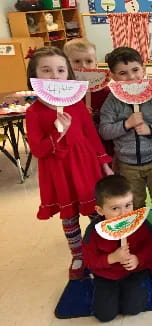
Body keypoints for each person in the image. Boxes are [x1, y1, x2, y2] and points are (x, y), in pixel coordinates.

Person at [25, 46, 112, 280]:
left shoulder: (78, 105)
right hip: (58, 170)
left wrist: (104, 163)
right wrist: (56, 133)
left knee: (97, 211)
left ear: (68, 75)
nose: (55, 76)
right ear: (34, 76)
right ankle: (78, 255)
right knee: (69, 216)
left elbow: (91, 136)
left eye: (60, 70)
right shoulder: (33, 112)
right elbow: (38, 149)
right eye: (47, 70)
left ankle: (103, 247)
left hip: (85, 166)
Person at [99, 47, 152, 240]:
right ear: (113, 76)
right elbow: (105, 131)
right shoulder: (112, 102)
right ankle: (139, 234)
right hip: (127, 165)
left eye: (135, 70)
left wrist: (151, 130)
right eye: (123, 73)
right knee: (135, 202)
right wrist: (126, 124)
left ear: (144, 69)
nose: (131, 77)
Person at [83, 175, 152, 322]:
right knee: (104, 316)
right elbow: (89, 261)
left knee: (133, 309)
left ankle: (141, 285)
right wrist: (111, 258)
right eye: (115, 208)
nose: (124, 214)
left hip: (135, 272)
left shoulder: (141, 224)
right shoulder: (94, 231)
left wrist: (138, 259)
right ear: (100, 210)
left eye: (128, 205)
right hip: (106, 276)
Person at [63, 38, 114, 158]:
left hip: (104, 147)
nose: (83, 66)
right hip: (77, 151)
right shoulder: (64, 93)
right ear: (66, 64)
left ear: (96, 62)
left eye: (89, 61)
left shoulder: (106, 93)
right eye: (76, 61)